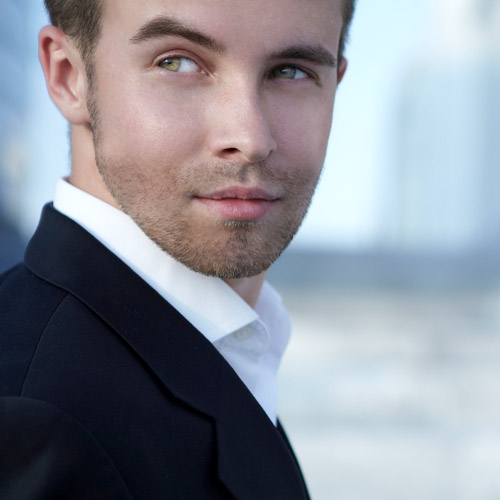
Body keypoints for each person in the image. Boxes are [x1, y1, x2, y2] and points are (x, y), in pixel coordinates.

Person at [0, 0, 356, 498]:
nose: (250, 138)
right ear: (68, 76)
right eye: (177, 62)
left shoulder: (216, 350)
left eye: (290, 71)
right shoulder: (40, 425)